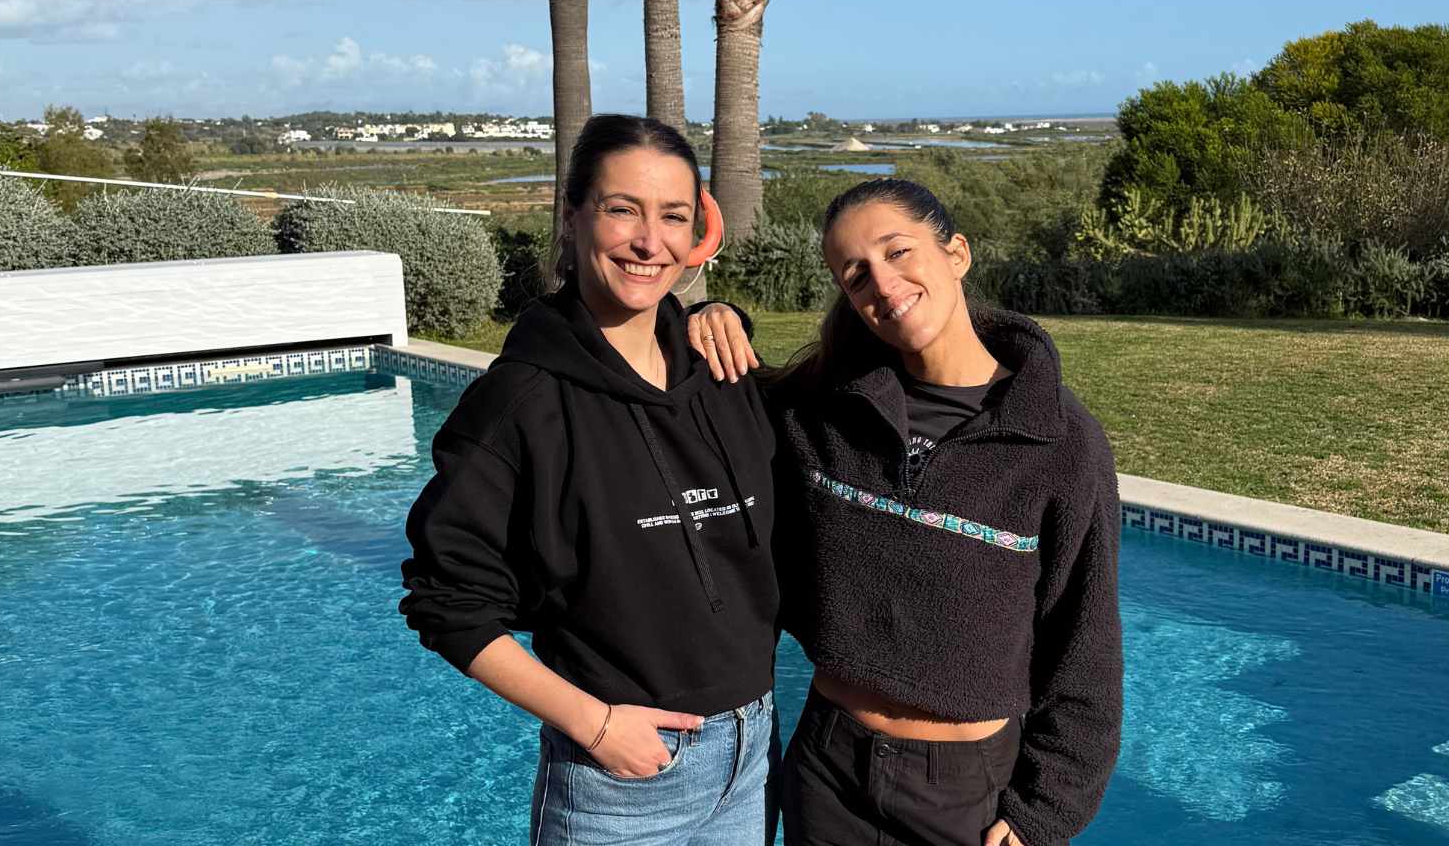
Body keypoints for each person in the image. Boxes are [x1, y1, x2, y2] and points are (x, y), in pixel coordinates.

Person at [689, 178, 1123, 846]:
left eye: (898, 252)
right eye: (855, 274)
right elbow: (716, 405)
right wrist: (713, 316)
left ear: (957, 253)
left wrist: (1045, 812)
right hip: (828, 768)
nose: (882, 285)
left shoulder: (1060, 443)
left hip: (965, 793)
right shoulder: (823, 412)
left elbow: (1084, 640)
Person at [400, 114, 781, 846]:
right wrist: (593, 723)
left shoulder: (723, 373)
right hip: (621, 784)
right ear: (572, 215)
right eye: (620, 210)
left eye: (673, 216)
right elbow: (445, 601)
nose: (649, 241)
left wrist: (721, 314)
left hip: (752, 758)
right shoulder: (520, 403)